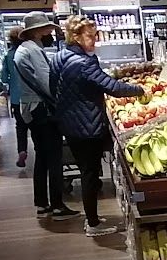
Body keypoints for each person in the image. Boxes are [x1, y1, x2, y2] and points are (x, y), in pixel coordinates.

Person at [49, 16, 144, 237]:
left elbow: (53, 89)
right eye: (90, 36)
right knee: (90, 174)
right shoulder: (84, 62)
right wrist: (139, 90)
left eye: (95, 35)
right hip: (87, 126)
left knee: (86, 170)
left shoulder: (59, 57)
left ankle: (92, 217)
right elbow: (111, 86)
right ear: (76, 37)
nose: (95, 40)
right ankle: (93, 224)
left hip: (69, 124)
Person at [12, 11, 72, 219]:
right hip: (41, 110)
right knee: (54, 157)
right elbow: (46, 81)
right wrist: (64, 100)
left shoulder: (23, 50)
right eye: (48, 30)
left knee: (42, 157)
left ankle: (41, 203)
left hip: (30, 109)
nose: (50, 34)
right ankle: (57, 205)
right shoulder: (33, 51)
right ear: (38, 31)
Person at [0, 28, 28, 168]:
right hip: (31, 96)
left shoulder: (8, 55)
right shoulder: (28, 52)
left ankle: (22, 150)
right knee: (36, 126)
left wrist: (12, 81)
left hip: (16, 98)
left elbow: (3, 78)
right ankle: (40, 151)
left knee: (20, 126)